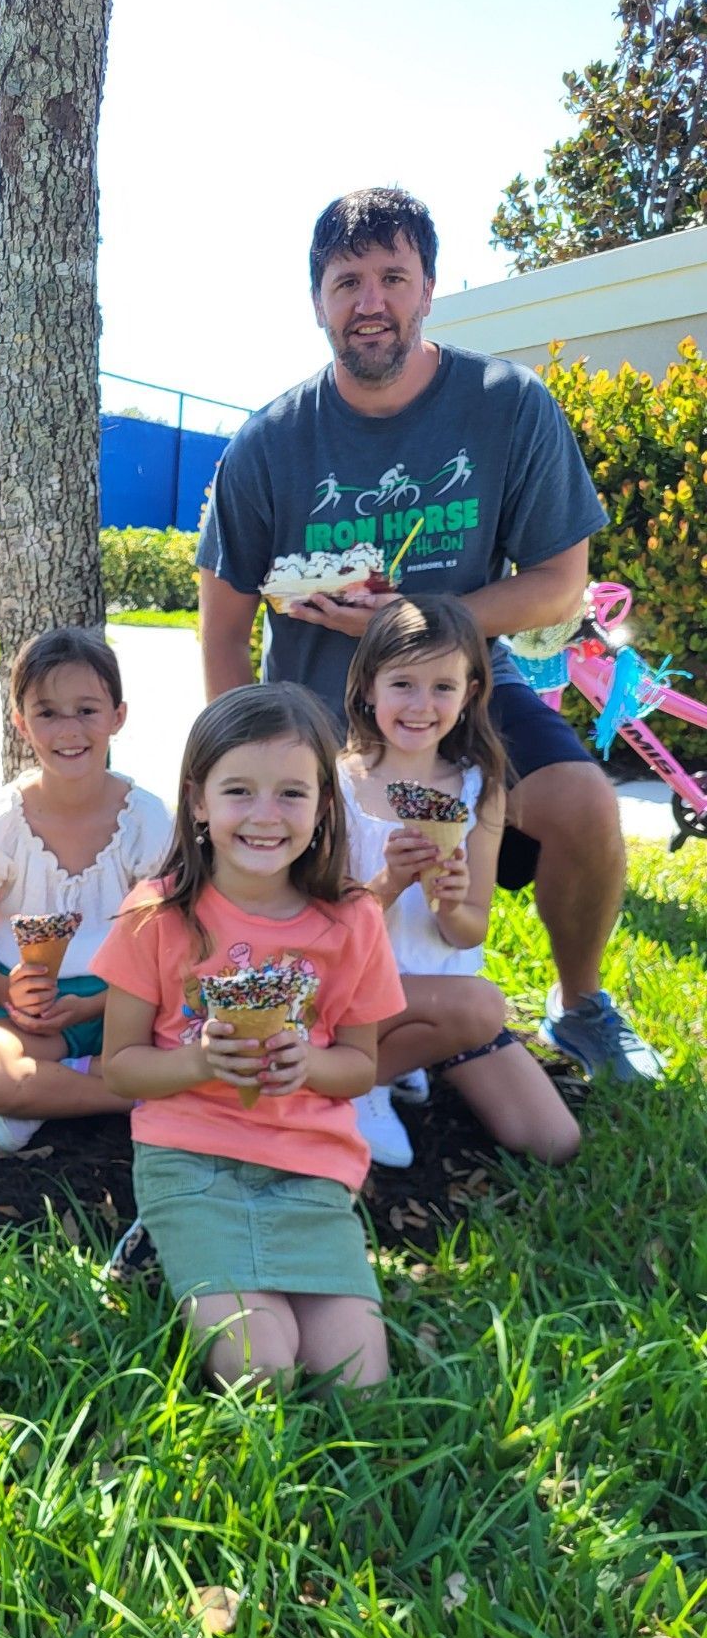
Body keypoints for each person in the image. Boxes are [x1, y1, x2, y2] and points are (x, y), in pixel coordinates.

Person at [197, 185, 662, 1084]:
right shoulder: (268, 441)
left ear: (428, 288)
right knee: (302, 873)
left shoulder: (506, 405)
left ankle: (581, 1005)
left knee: (583, 805)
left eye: (391, 277)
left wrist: (421, 626)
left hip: (463, 692)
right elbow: (225, 625)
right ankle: (344, 1024)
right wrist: (232, 757)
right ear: (317, 303)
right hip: (313, 709)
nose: (370, 302)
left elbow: (560, 582)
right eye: (345, 283)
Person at [94, 684, 404, 1390]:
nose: (266, 816)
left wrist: (311, 1064)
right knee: (261, 1369)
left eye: (292, 794)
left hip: (307, 1167)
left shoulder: (352, 920)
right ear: (199, 800)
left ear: (326, 805)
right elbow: (121, 1068)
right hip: (192, 1161)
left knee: (357, 1382)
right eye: (240, 791)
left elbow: (359, 1068)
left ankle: (220, 1269)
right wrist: (197, 1061)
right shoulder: (157, 915)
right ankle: (165, 1241)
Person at [340, 595, 581, 1168]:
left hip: (441, 991)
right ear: (368, 686)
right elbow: (322, 924)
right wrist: (391, 883)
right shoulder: (336, 783)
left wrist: (447, 903)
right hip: (354, 997)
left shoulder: (478, 788)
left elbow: (470, 930)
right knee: (481, 1005)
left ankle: (406, 1058)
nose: (422, 705)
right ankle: (354, 1082)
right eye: (402, 684)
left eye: (443, 687)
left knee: (552, 1139)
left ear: (471, 693)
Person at [0, 626, 173, 1153]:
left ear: (118, 716)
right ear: (21, 723)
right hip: (32, 1019)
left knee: (208, 1042)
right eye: (47, 712)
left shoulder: (148, 822)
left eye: (87, 710)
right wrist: (11, 997)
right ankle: (139, 1097)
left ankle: (55, 1090)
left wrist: (95, 1007)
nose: (68, 729)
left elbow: (169, 951)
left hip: (130, 1006)